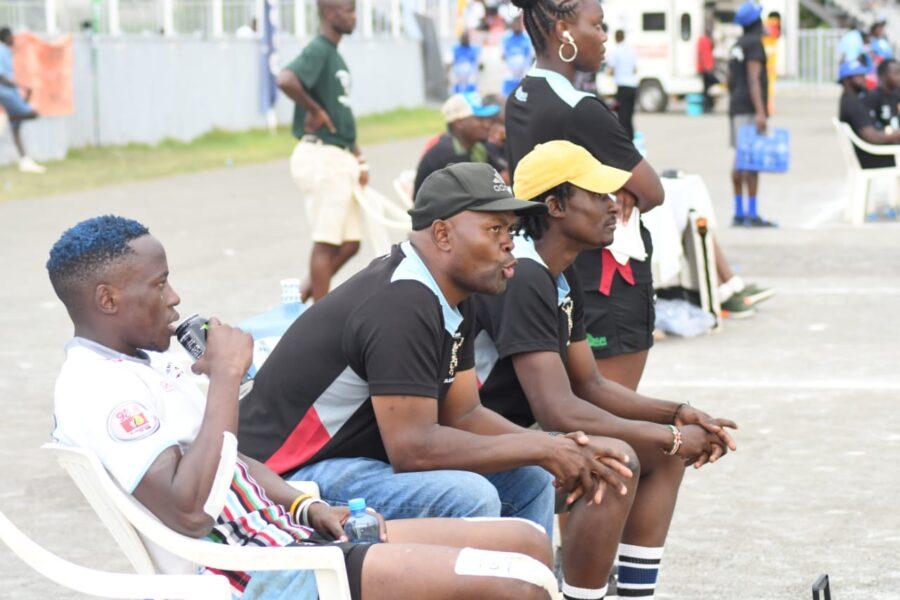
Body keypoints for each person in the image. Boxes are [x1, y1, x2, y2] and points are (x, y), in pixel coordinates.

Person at [47, 215, 560, 600]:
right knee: (511, 581)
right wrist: (226, 377)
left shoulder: (144, 362)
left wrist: (305, 506)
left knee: (525, 543)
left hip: (290, 535)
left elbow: (231, 459)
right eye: (158, 285)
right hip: (256, 571)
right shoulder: (98, 389)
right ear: (107, 299)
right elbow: (187, 510)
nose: (175, 297)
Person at [238, 162, 636, 533]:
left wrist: (551, 449)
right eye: (494, 229)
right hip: (288, 475)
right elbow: (413, 449)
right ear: (443, 234)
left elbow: (464, 413)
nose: (509, 244)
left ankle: (525, 586)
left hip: (354, 461)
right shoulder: (403, 301)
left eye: (510, 231)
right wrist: (538, 445)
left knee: (532, 479)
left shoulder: (453, 294)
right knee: (468, 496)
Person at [474, 140, 738, 600]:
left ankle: (635, 595)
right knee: (618, 459)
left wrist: (678, 414)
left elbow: (590, 384)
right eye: (597, 195)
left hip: (513, 431)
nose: (614, 204)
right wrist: (671, 436)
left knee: (659, 456)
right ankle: (584, 595)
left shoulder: (560, 269)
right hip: (477, 439)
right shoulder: (524, 274)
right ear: (554, 205)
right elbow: (558, 411)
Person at [505, 0, 664, 392]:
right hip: (605, 277)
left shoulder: (519, 98)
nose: (605, 37)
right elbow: (653, 191)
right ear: (565, 32)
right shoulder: (579, 108)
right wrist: (620, 186)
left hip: (551, 270)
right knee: (610, 416)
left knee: (575, 414)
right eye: (598, 25)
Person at [277, 0, 368, 303]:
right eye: (348, 10)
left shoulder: (335, 56)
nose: (354, 16)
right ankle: (317, 320)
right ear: (329, 13)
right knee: (327, 243)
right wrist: (313, 110)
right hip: (322, 156)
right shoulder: (319, 49)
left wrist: (358, 157)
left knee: (350, 243)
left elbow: (339, 114)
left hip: (340, 155)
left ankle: (302, 296)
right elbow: (286, 79)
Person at [728, 1, 775, 227]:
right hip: (748, 108)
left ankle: (739, 211)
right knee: (751, 163)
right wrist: (760, 111)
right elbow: (753, 79)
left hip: (735, 107)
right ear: (756, 22)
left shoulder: (737, 45)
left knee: (739, 160)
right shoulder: (755, 45)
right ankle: (751, 213)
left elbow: (730, 80)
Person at [413, 92, 503, 196]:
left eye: (487, 119)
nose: (487, 125)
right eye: (479, 119)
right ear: (459, 123)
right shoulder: (446, 153)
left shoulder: (477, 146)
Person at [839, 58, 900, 170]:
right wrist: (897, 135)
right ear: (847, 80)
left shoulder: (850, 99)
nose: (864, 79)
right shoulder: (853, 104)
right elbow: (872, 137)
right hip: (871, 157)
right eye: (860, 76)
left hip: (870, 153)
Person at [0, 27, 45, 174]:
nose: (14, 39)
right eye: (12, 37)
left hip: (10, 91)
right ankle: (8, 117)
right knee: (33, 114)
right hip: (5, 92)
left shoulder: (7, 52)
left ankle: (24, 161)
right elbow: (1, 76)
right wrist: (20, 86)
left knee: (16, 127)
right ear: (6, 37)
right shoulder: (1, 50)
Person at [608, 29, 638, 140]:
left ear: (616, 38)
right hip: (633, 85)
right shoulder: (631, 51)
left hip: (623, 86)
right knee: (629, 116)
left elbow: (610, 69)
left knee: (622, 116)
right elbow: (635, 69)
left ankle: (624, 139)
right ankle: (631, 138)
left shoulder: (615, 51)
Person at [502, 15, 534, 96]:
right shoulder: (506, 38)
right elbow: (503, 55)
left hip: (523, 73)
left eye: (518, 24)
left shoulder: (527, 38)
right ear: (512, 25)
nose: (516, 26)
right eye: (514, 24)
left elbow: (531, 56)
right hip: (510, 73)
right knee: (507, 95)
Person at [867, 58, 900, 133]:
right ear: (883, 75)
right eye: (896, 73)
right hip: (885, 141)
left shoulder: (896, 95)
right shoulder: (873, 96)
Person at [697, 21, 717, 113]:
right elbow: (703, 55)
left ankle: (708, 105)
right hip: (706, 68)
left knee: (706, 88)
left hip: (706, 67)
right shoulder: (704, 40)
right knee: (707, 89)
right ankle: (707, 106)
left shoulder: (704, 40)